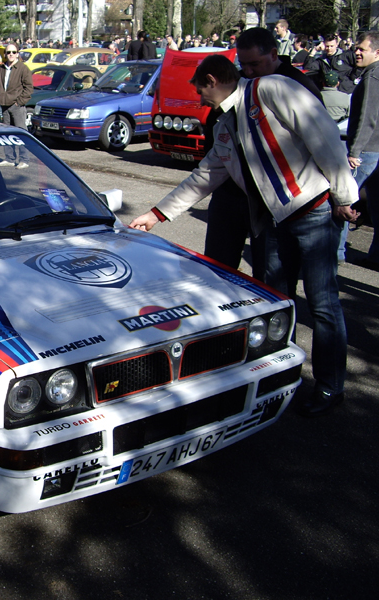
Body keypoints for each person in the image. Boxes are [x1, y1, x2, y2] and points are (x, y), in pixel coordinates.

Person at [130, 54, 358, 418]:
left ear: (211, 80)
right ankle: (281, 372)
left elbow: (324, 137)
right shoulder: (225, 122)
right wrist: (157, 214)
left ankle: (331, 386)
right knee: (275, 301)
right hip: (274, 220)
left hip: (312, 211)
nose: (199, 98)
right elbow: (206, 176)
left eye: (199, 90)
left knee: (323, 303)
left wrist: (345, 196)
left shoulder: (270, 89)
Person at [202, 26, 323, 278]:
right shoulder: (239, 83)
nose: (247, 71)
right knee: (217, 267)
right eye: (242, 64)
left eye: (254, 64)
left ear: (273, 54)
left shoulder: (297, 85)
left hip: (274, 197)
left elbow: (321, 143)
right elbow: (215, 133)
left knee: (271, 276)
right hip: (230, 191)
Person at [346, 32, 379, 270]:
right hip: (374, 149)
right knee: (376, 206)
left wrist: (355, 151)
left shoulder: (373, 76)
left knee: (343, 201)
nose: (357, 52)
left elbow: (368, 118)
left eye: (362, 49)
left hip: (367, 151)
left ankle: (335, 254)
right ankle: (376, 256)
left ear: (377, 52)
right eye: (356, 48)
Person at [0, 43, 33, 169]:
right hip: (4, 105)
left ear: (17, 54)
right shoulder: (2, 69)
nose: (11, 54)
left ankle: (24, 159)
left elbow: (28, 88)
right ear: (5, 54)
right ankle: (10, 158)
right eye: (8, 52)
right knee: (7, 133)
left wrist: (19, 102)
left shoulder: (23, 68)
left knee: (20, 133)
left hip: (17, 106)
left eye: (13, 52)